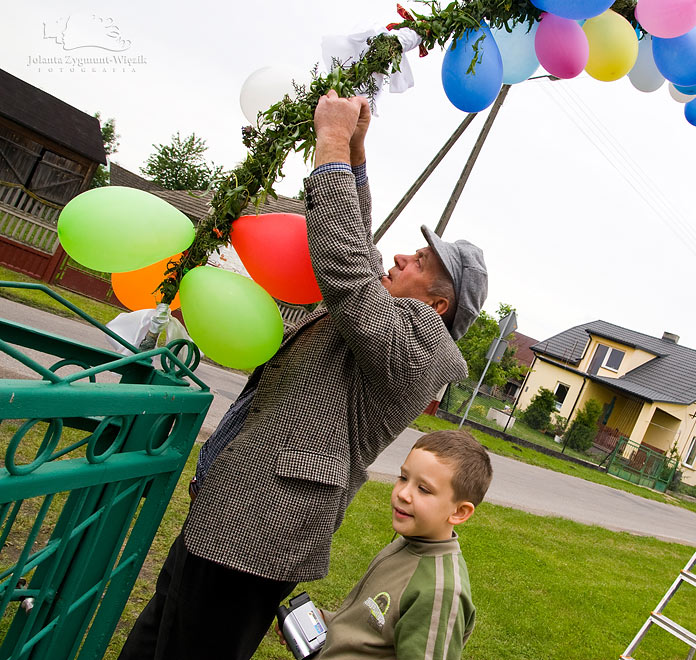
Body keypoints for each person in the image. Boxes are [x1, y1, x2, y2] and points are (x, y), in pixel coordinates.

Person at [119, 91, 489, 660]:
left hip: (259, 532)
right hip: (232, 512)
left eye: (417, 262)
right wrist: (358, 157)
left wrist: (333, 144)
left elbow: (347, 267)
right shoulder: (389, 319)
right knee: (153, 642)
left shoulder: (425, 349)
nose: (397, 259)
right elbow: (357, 252)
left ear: (439, 305)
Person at [303, 429, 493, 660]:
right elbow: (372, 625)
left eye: (423, 489)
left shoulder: (440, 592)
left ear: (459, 512)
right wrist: (329, 621)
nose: (403, 493)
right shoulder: (407, 545)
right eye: (403, 478)